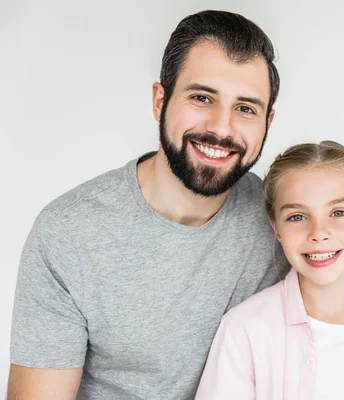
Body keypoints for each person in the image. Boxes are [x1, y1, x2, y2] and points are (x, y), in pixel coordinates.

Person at [8, 10, 288, 400]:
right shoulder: (68, 234)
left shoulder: (288, 220)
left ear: (267, 122)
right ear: (160, 101)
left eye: (245, 108)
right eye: (202, 97)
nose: (222, 128)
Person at [196, 141, 344, 400]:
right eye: (297, 217)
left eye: (338, 212)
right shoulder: (244, 330)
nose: (319, 233)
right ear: (276, 227)